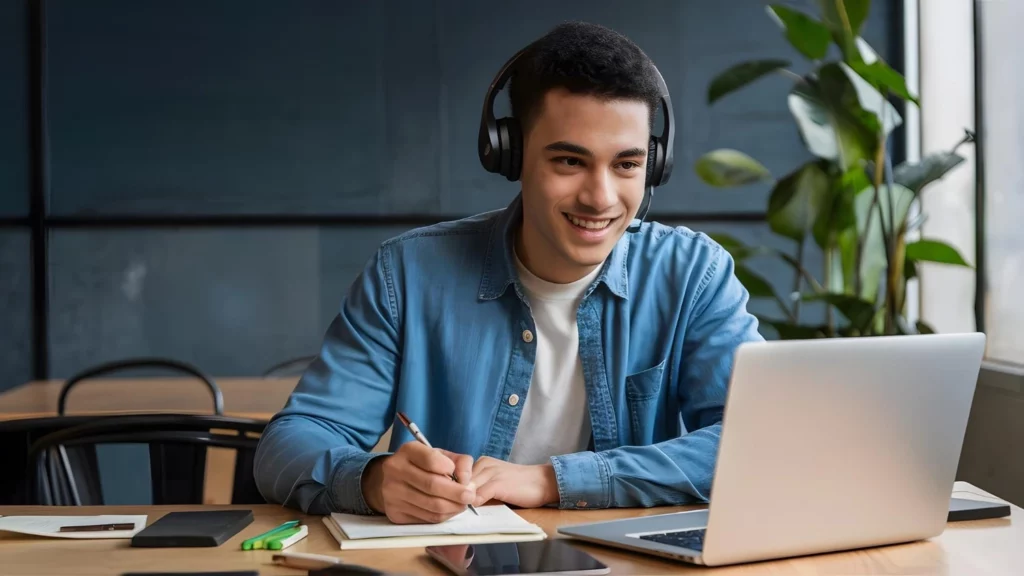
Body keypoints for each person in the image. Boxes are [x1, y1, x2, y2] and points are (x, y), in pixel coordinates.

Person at [254, 21, 762, 525]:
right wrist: (371, 480)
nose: (601, 197)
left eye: (626, 165)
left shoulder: (694, 274)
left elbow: (760, 439)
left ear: (654, 164)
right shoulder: (407, 275)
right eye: (569, 161)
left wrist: (552, 480)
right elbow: (289, 444)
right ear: (510, 154)